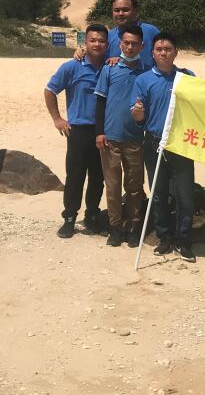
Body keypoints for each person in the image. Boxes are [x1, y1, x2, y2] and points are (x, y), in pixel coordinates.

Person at [130, 32, 197, 263]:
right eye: (159, 49)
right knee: (158, 194)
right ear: (152, 53)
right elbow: (138, 116)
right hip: (154, 142)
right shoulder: (143, 80)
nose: (164, 53)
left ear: (175, 52)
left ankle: (183, 240)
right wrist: (138, 113)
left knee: (185, 195)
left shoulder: (187, 77)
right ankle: (164, 237)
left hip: (181, 143)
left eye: (168, 49)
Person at [44, 23, 108, 238]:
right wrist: (57, 118)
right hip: (78, 130)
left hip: (103, 131)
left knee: (98, 177)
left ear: (107, 44)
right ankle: (70, 218)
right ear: (85, 43)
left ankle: (92, 215)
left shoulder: (110, 67)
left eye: (101, 40)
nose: (97, 44)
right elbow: (50, 90)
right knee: (75, 176)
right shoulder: (71, 67)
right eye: (92, 40)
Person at [94, 24, 148, 248]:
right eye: (126, 43)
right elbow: (100, 102)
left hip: (135, 139)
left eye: (134, 44)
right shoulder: (110, 68)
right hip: (110, 138)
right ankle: (115, 227)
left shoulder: (147, 72)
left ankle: (134, 227)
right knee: (113, 185)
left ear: (142, 46)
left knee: (135, 187)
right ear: (120, 44)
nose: (130, 47)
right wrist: (99, 132)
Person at [106, 0, 160, 68]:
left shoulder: (151, 32)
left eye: (125, 10)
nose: (120, 13)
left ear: (135, 11)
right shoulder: (108, 36)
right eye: (116, 10)